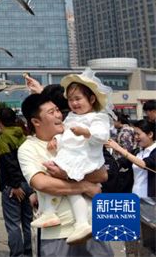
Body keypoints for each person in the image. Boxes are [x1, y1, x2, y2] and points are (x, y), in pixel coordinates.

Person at [18, 93, 112, 256]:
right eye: (51, 112)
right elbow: (42, 183)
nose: (59, 115)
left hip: (94, 225)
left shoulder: (76, 134)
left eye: (57, 110)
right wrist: (84, 186)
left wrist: (64, 175)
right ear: (35, 122)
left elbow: (102, 174)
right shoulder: (28, 148)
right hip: (58, 232)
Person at [0, 108, 33, 257]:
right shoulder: (23, 136)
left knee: (13, 224)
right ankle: (30, 252)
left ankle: (17, 254)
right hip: (28, 183)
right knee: (28, 222)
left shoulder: (3, 139)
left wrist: (15, 185)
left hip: (13, 186)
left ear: (0, 121)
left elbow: (9, 162)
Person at [107, 118, 156, 198]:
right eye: (134, 134)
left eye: (138, 134)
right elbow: (120, 163)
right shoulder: (137, 151)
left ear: (150, 134)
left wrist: (119, 149)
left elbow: (144, 164)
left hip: (152, 201)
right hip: (135, 197)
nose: (136, 137)